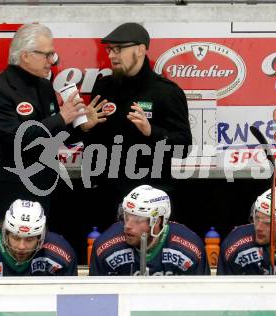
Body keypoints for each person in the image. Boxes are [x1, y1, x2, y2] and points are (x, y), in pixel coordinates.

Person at [0, 23, 104, 225]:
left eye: (52, 55)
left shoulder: (45, 86)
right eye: (47, 55)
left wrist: (80, 126)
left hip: (44, 186)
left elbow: (55, 135)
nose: (51, 62)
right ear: (25, 55)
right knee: (9, 252)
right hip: (10, 188)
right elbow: (16, 139)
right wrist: (61, 118)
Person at [80, 22, 192, 227]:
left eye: (119, 49)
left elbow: (184, 147)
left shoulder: (166, 92)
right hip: (105, 195)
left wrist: (151, 132)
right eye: (109, 49)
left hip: (149, 197)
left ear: (141, 50)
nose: (112, 55)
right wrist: (86, 128)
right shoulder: (104, 86)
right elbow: (91, 142)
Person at [89, 185, 210, 276]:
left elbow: (202, 301)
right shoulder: (105, 248)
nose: (127, 226)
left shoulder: (190, 250)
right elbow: (96, 301)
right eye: (126, 216)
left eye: (137, 218)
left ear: (157, 221)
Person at [0, 199, 77, 277]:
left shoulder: (61, 254)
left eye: (29, 239)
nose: (21, 246)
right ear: (5, 233)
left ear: (40, 237)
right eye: (15, 237)